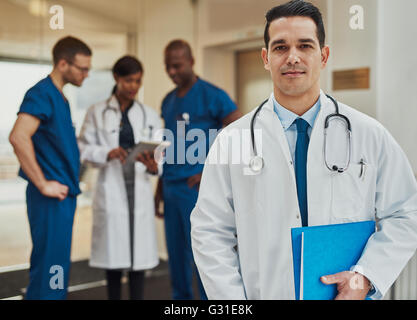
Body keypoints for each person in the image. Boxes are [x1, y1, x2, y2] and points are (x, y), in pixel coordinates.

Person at [190, 0, 417, 300]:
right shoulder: (232, 141)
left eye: (305, 46)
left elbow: (405, 214)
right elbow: (209, 232)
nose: (292, 57)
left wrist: (366, 277)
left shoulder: (369, 135)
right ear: (266, 58)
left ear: (323, 56)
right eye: (280, 47)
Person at [155, 39, 241, 300]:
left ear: (191, 62)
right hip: (171, 187)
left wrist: (210, 172)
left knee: (203, 254)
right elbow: (168, 146)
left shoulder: (212, 95)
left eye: (177, 66)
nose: (172, 72)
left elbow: (237, 133)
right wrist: (159, 188)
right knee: (176, 255)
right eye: (168, 67)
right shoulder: (168, 100)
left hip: (197, 188)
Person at [8, 36, 92, 300]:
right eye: (82, 68)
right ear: (63, 63)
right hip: (50, 197)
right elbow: (18, 136)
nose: (86, 74)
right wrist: (43, 183)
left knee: (51, 269)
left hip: (61, 197)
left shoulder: (60, 98)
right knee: (50, 270)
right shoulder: (42, 93)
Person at [78, 56, 162, 300]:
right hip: (112, 189)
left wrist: (154, 165)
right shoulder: (96, 112)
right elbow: (83, 149)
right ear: (116, 78)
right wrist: (107, 152)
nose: (133, 86)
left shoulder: (149, 114)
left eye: (137, 81)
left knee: (139, 262)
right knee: (113, 262)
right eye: (128, 81)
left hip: (139, 190)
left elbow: (160, 154)